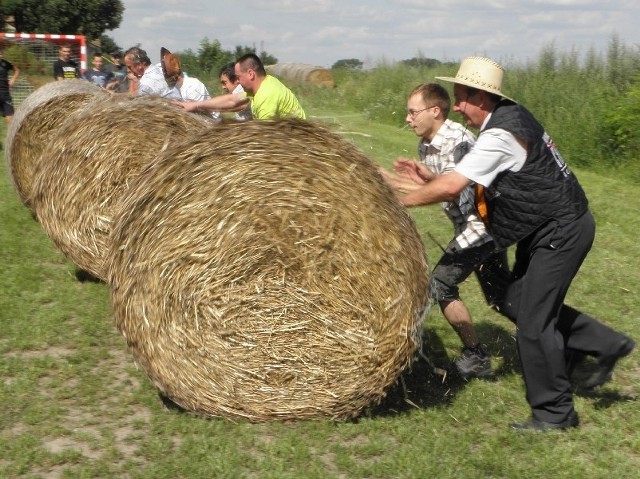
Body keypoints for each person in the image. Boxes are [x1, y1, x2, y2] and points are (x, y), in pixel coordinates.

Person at [391, 56, 635, 431]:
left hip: (561, 229)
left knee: (534, 323)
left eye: (461, 99)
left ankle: (555, 414)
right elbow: (464, 181)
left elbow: (453, 186)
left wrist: (395, 201)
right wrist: (427, 179)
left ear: (482, 98)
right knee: (514, 301)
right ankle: (605, 344)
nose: (456, 107)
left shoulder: (499, 135)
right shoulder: (511, 116)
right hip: (541, 227)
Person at [380, 83, 510, 379]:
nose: (407, 118)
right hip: (470, 227)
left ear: (434, 111)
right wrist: (390, 181)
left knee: (439, 285)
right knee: (504, 300)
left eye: (413, 112)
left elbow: (454, 191)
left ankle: (476, 355)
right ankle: (564, 340)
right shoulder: (425, 145)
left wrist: (402, 189)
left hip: (483, 227)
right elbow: (434, 188)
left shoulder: (459, 141)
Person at [178, 53, 305, 120]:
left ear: (250, 73)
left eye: (239, 77)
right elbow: (232, 101)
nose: (237, 82)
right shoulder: (264, 83)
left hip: (295, 142)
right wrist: (195, 105)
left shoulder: (266, 96)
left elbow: (265, 139)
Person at [161, 47, 219, 120]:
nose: (163, 73)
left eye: (164, 69)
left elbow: (197, 114)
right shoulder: (172, 89)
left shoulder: (193, 85)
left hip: (210, 122)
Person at [0, 48, 19, 126]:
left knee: (11, 120)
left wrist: (13, 79)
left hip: (5, 95)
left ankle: (11, 137)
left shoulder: (6, 64)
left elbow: (17, 70)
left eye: (0, 54)